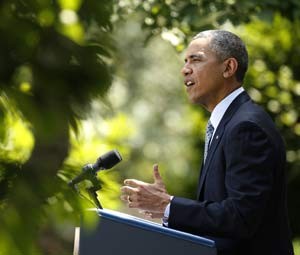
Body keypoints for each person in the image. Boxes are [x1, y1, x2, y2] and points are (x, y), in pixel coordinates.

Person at [120, 30, 294, 255]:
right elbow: (221, 215)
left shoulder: (246, 127)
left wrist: (169, 205)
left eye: (196, 59)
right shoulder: (227, 123)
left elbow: (241, 216)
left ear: (228, 68)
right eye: (185, 61)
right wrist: (167, 208)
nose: (185, 69)